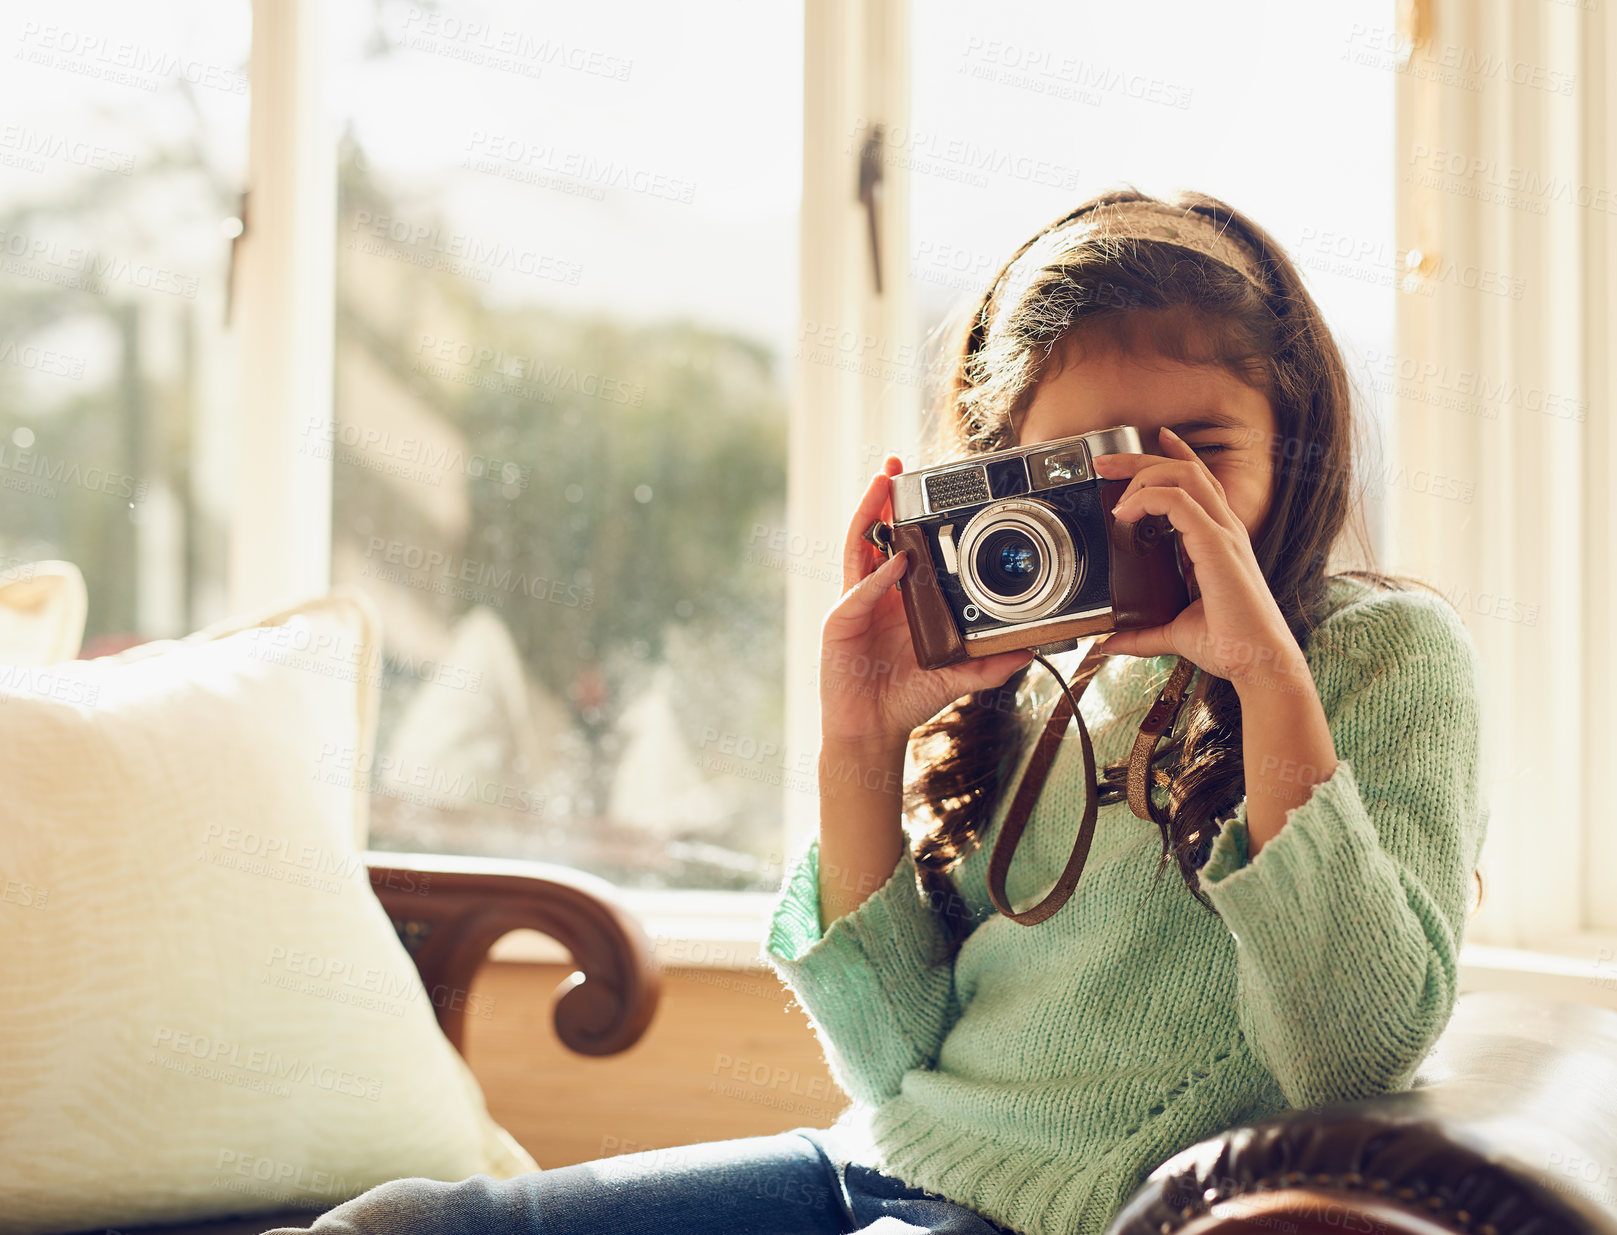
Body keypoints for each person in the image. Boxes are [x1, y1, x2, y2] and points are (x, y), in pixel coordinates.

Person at [265, 189, 1487, 1235]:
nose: (1141, 502)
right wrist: (861, 740)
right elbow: (890, 1053)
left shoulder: (1379, 654)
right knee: (394, 1221)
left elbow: (1355, 1049)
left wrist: (1266, 676)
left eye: (1198, 448)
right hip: (870, 1163)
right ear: (1008, 476)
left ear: (1301, 442)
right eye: (1088, 466)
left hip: (1050, 1213)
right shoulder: (1031, 671)